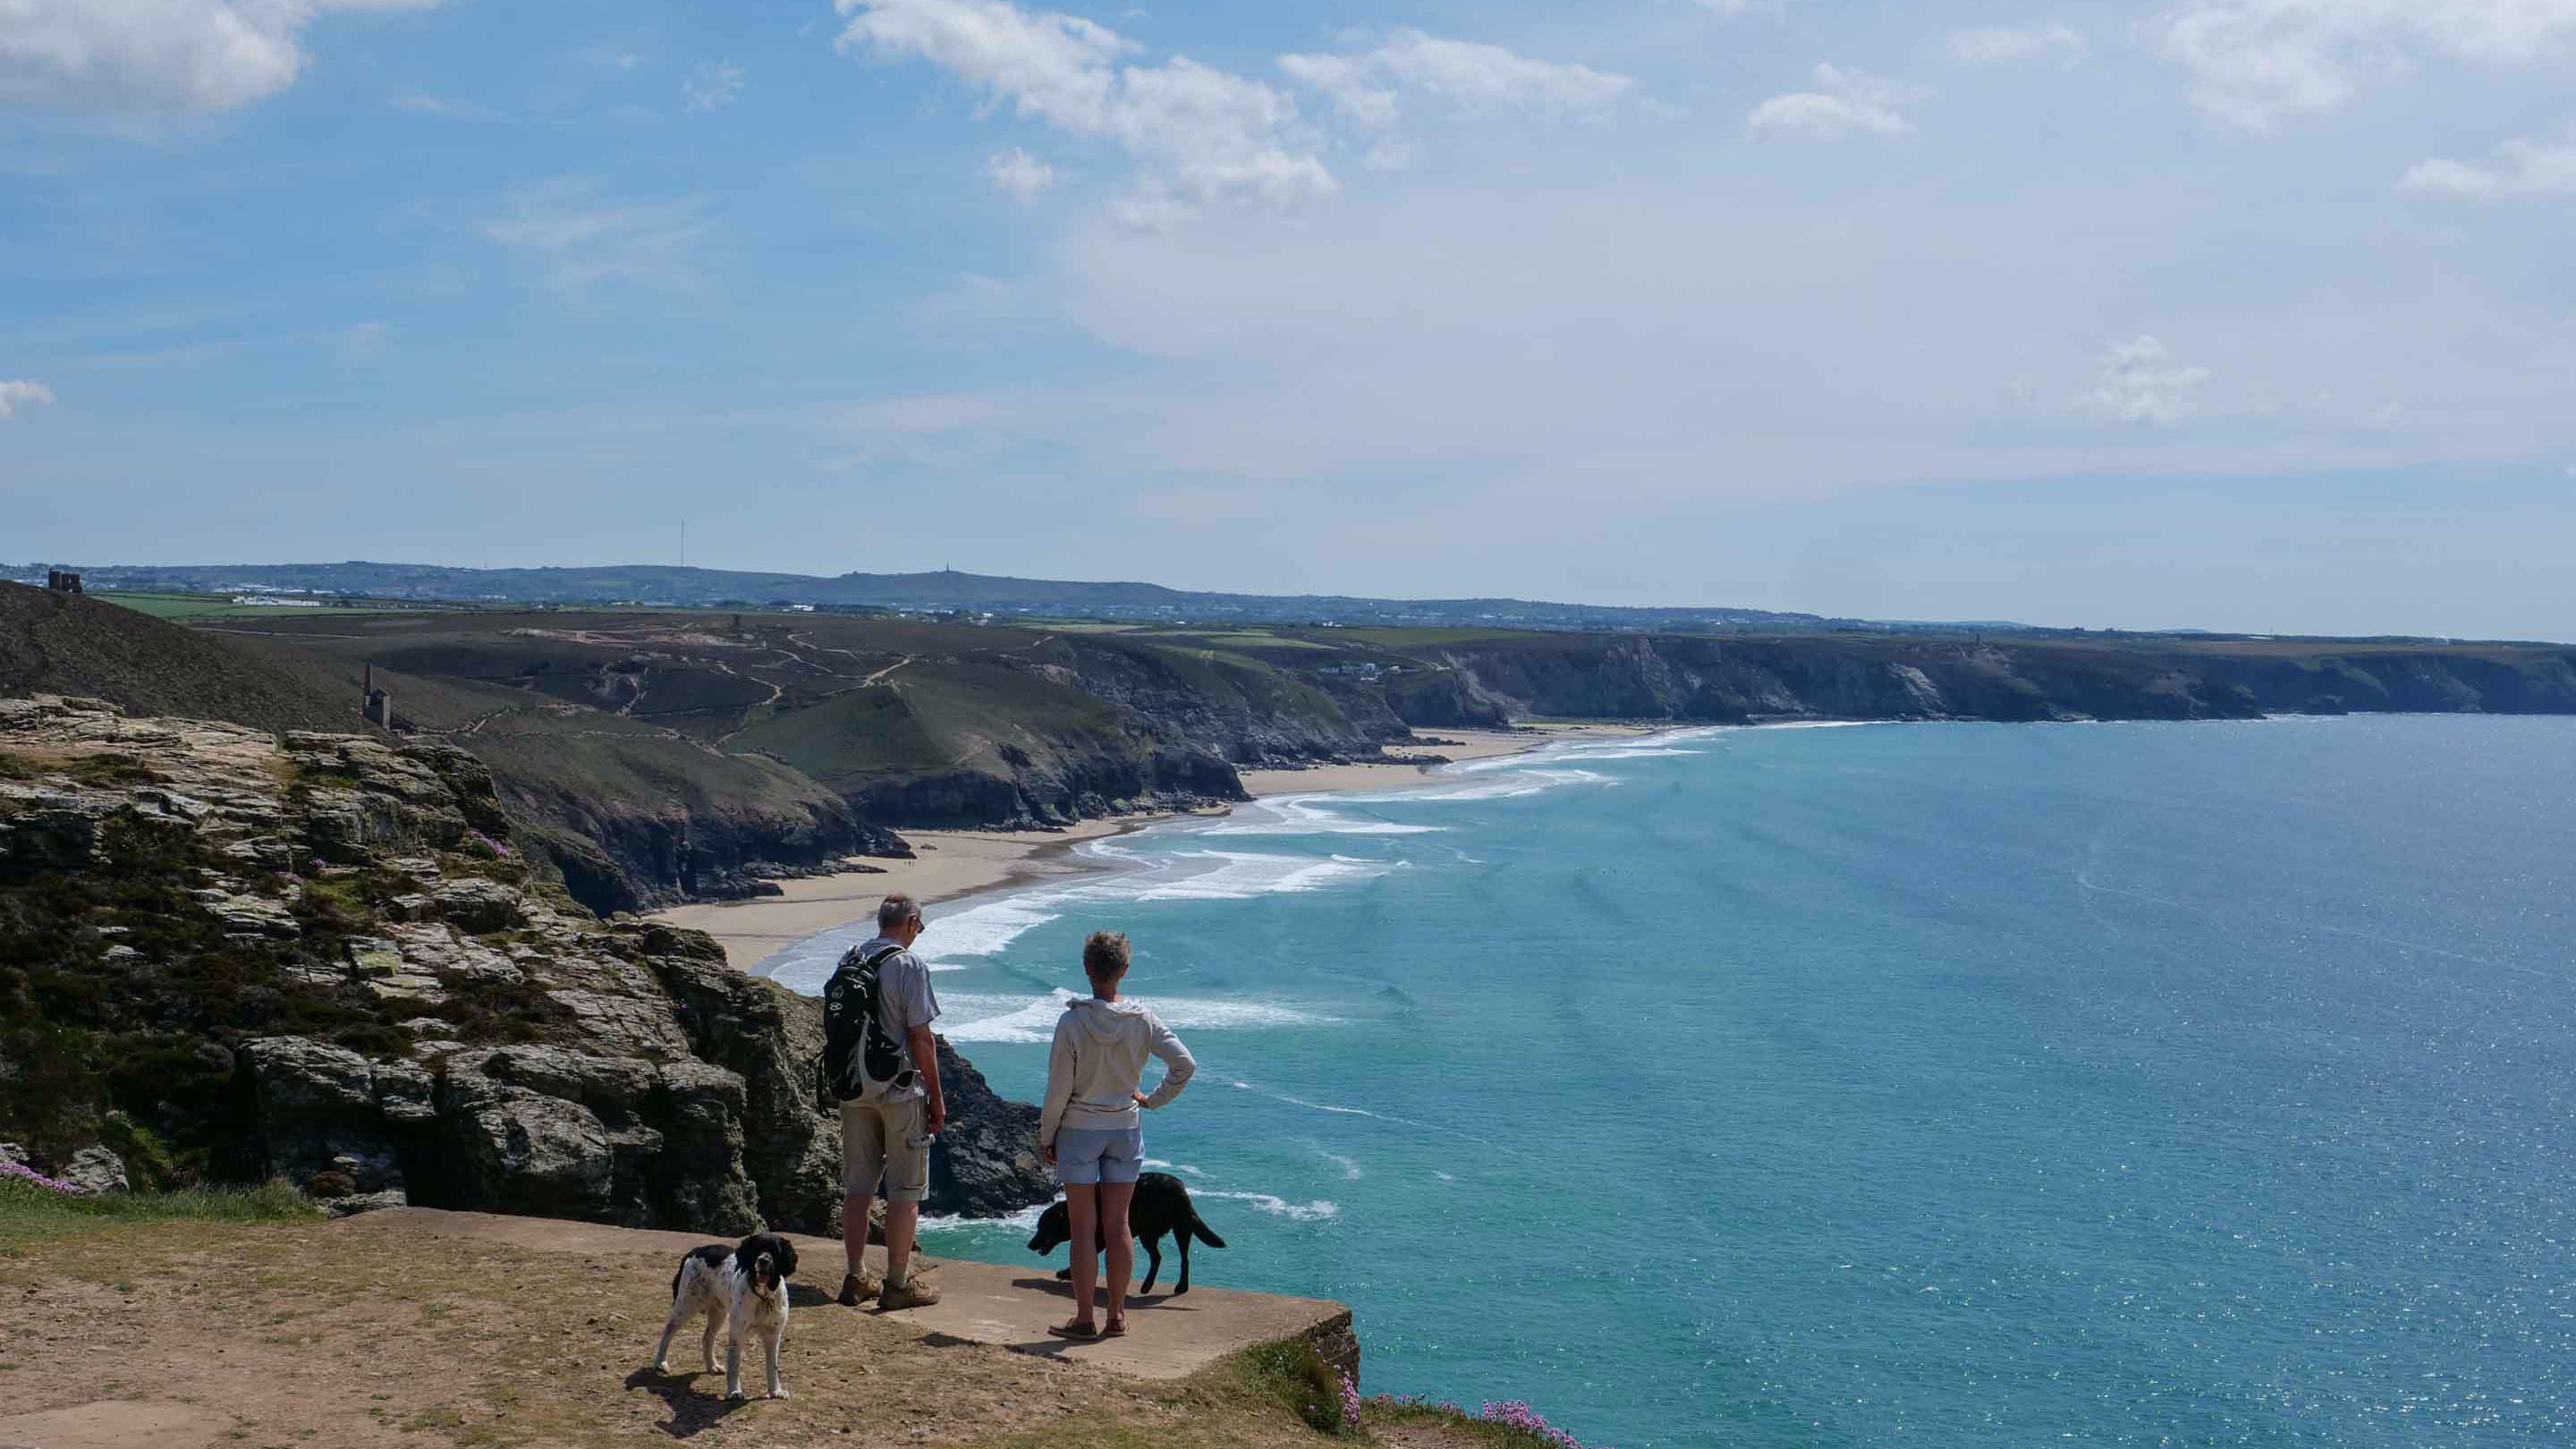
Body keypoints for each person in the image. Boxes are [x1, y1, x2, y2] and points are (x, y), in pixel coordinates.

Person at [1038, 930, 1196, 1340]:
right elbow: (1185, 1064)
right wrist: (1154, 1100)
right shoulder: (1142, 1019)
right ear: (1124, 970)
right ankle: (1118, 1316)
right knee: (1119, 1225)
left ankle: (1086, 1318)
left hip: (1078, 1129)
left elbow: (1058, 1088)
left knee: (1083, 1226)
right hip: (1124, 1128)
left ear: (1087, 968)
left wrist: (1046, 1135)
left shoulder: (1072, 1021)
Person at [824, 893, 946, 1311]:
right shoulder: (908, 964)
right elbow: (920, 1037)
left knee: (857, 1187)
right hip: (897, 1091)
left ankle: (856, 1276)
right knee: (905, 1190)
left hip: (853, 1087)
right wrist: (937, 1097)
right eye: (920, 927)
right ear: (911, 922)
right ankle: (897, 1283)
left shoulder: (851, 957)